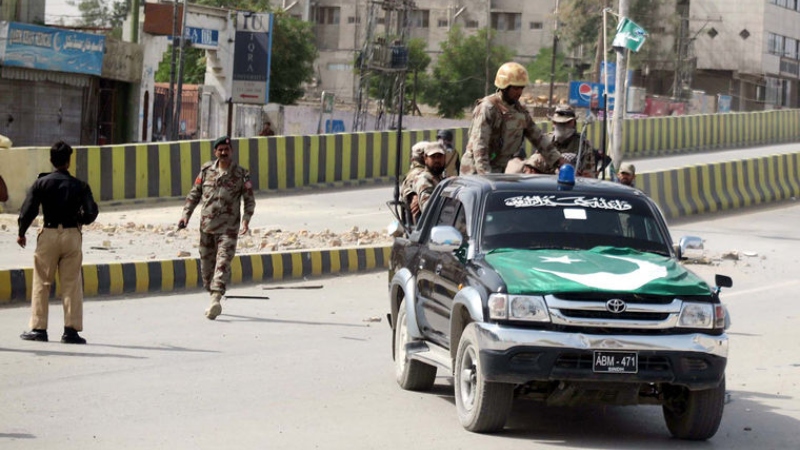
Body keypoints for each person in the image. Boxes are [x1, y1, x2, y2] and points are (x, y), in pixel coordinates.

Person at [17, 141, 99, 344]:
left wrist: (21, 232)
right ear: (68, 162)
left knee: (42, 282)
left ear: (51, 161)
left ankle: (39, 329)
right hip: (72, 235)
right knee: (71, 284)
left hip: (49, 234)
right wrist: (81, 220)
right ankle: (70, 331)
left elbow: (28, 210)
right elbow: (91, 212)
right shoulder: (80, 186)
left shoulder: (41, 183)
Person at [178, 136, 256, 320]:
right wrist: (185, 216)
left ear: (232, 151)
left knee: (222, 263)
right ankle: (212, 293)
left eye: (226, 149)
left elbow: (249, 200)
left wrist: (246, 219)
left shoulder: (241, 174)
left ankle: (216, 299)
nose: (223, 152)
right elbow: (194, 195)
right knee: (206, 271)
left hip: (229, 229)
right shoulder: (206, 171)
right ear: (215, 152)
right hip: (207, 227)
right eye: (220, 149)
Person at [460, 61, 562, 175]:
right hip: (474, 170)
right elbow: (480, 146)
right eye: (515, 88)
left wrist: (559, 161)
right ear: (504, 86)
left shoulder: (519, 111)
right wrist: (485, 176)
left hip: (498, 169)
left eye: (521, 88)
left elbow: (538, 138)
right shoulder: (488, 108)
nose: (519, 92)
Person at [547, 104, 596, 178]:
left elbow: (589, 177)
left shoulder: (583, 145)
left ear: (574, 123)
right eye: (559, 123)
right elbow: (533, 168)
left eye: (567, 123)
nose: (563, 126)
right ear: (553, 123)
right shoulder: (545, 141)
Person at [406, 142, 446, 223]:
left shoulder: (440, 177)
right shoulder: (424, 178)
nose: (437, 160)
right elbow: (430, 211)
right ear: (425, 158)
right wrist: (412, 195)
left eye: (439, 156)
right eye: (433, 157)